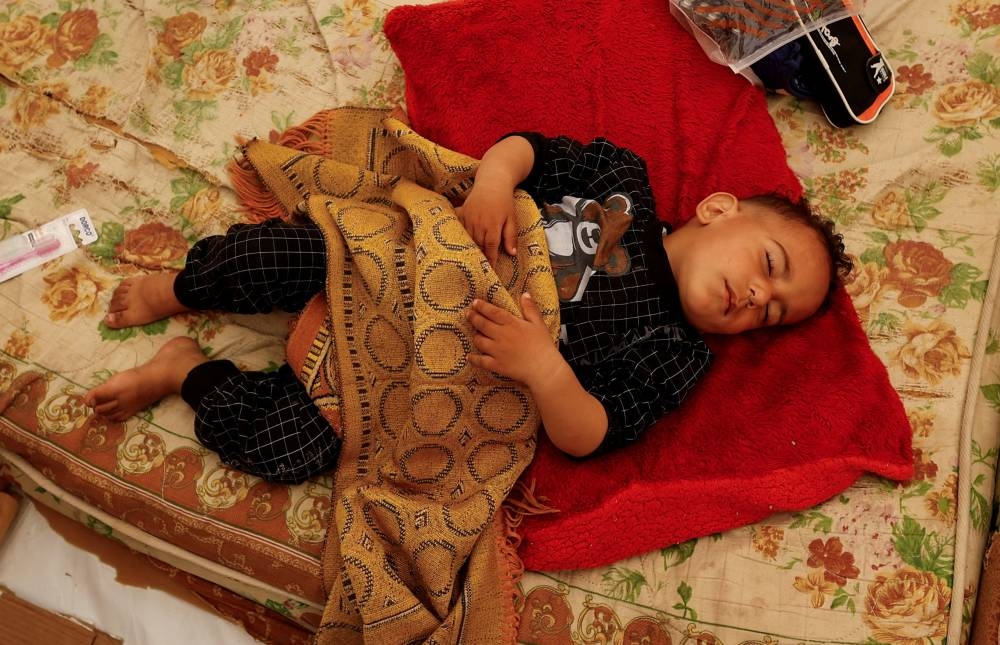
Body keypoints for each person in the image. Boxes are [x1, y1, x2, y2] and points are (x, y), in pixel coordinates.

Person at [84, 132, 851, 483]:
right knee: (270, 255)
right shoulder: (625, 181)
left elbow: (591, 434)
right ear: (720, 209)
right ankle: (175, 290)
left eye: (772, 312)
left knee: (294, 449)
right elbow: (526, 152)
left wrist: (546, 371)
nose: (757, 296)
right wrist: (491, 182)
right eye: (769, 266)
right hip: (399, 257)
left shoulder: (675, 354)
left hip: (422, 370)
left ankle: (184, 371)